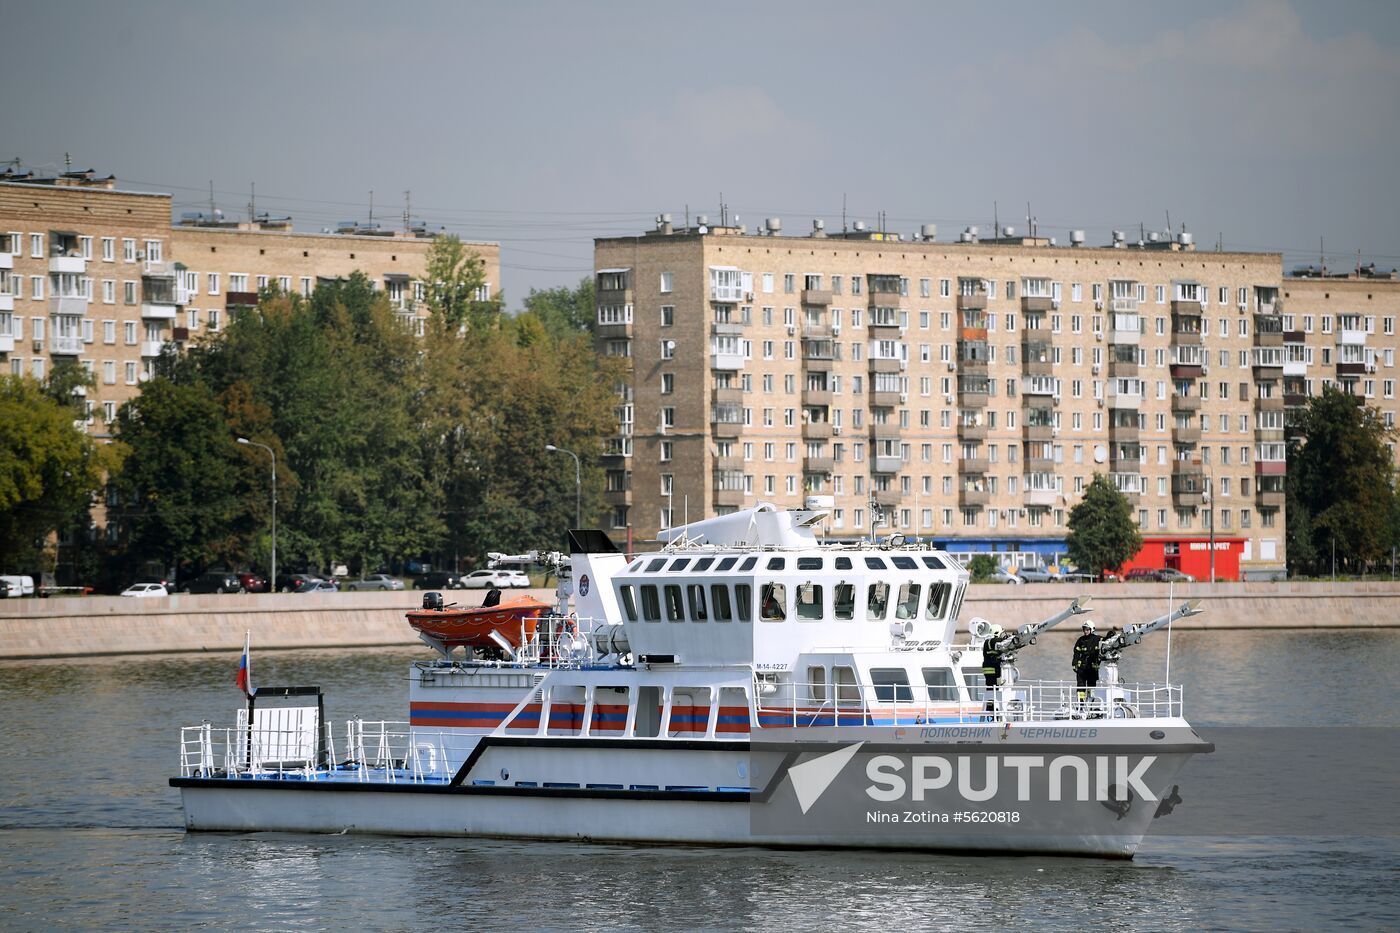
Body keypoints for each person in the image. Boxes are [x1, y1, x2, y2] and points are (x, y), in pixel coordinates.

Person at [1072, 620, 1103, 707]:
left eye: (1087, 629)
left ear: (1092, 629)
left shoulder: (1097, 639)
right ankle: (1081, 705)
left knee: (1091, 687)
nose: (1085, 631)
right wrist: (1074, 663)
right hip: (1082, 668)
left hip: (1092, 668)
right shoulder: (1081, 640)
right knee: (1080, 687)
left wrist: (1110, 635)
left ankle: (1089, 705)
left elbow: (1106, 641)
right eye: (1084, 629)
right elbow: (1076, 653)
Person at [981, 624, 1005, 715]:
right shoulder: (992, 641)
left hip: (989, 670)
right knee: (993, 689)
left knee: (991, 689)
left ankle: (991, 707)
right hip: (993, 670)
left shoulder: (988, 642)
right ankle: (992, 708)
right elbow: (997, 641)